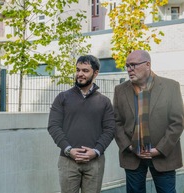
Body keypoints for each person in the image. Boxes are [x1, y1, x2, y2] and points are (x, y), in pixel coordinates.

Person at [113, 50, 184, 193]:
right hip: (132, 156)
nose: (129, 69)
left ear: (147, 64)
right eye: (127, 66)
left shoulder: (171, 87)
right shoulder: (120, 90)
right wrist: (130, 147)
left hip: (163, 156)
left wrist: (159, 150)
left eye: (133, 65)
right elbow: (116, 122)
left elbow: (177, 122)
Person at [48, 55, 115, 193]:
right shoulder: (62, 98)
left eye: (85, 70)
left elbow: (110, 129)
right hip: (68, 161)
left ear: (95, 73)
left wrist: (96, 151)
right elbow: (53, 126)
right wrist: (68, 149)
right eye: (78, 70)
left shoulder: (104, 102)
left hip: (95, 162)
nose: (80, 74)